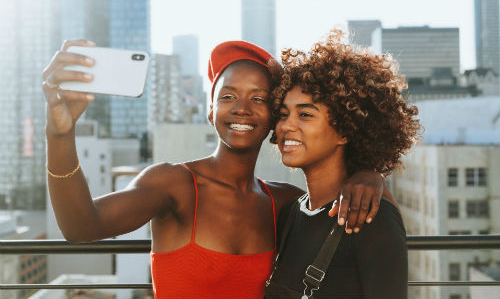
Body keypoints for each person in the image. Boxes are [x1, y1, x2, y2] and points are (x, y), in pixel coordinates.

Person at [43, 39, 390, 298]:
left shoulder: (286, 202)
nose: (241, 108)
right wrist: (59, 133)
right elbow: (81, 225)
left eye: (258, 98)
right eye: (227, 96)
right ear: (210, 111)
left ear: (274, 117)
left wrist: (369, 173)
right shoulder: (173, 184)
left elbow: (356, 235)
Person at [264, 30, 421, 299]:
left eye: (305, 114)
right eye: (282, 114)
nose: (286, 125)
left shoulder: (372, 219)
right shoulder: (292, 212)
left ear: (345, 130)